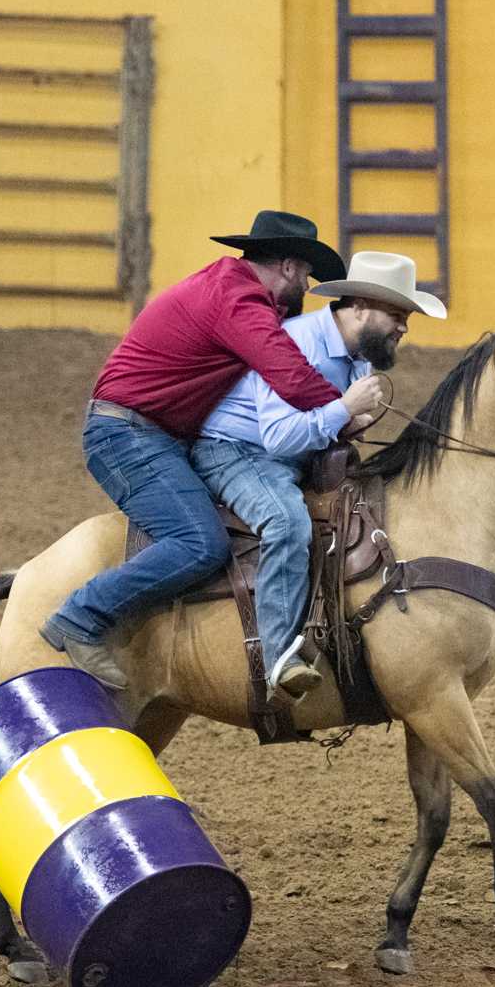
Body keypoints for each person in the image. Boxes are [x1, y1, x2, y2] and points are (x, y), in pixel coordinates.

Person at [39, 211, 390, 690]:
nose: (307, 286)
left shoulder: (230, 289)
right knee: (199, 543)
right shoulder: (239, 299)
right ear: (288, 265)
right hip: (129, 435)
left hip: (152, 433)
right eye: (306, 274)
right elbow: (286, 371)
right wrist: (344, 411)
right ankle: (80, 617)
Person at [189, 251, 446, 703]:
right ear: (360, 307)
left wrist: (349, 425)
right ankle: (277, 659)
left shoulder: (360, 359)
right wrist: (344, 410)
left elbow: (323, 428)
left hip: (291, 459)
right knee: (286, 522)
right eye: (396, 314)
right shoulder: (297, 342)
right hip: (234, 452)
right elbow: (277, 438)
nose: (404, 326)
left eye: (406, 316)